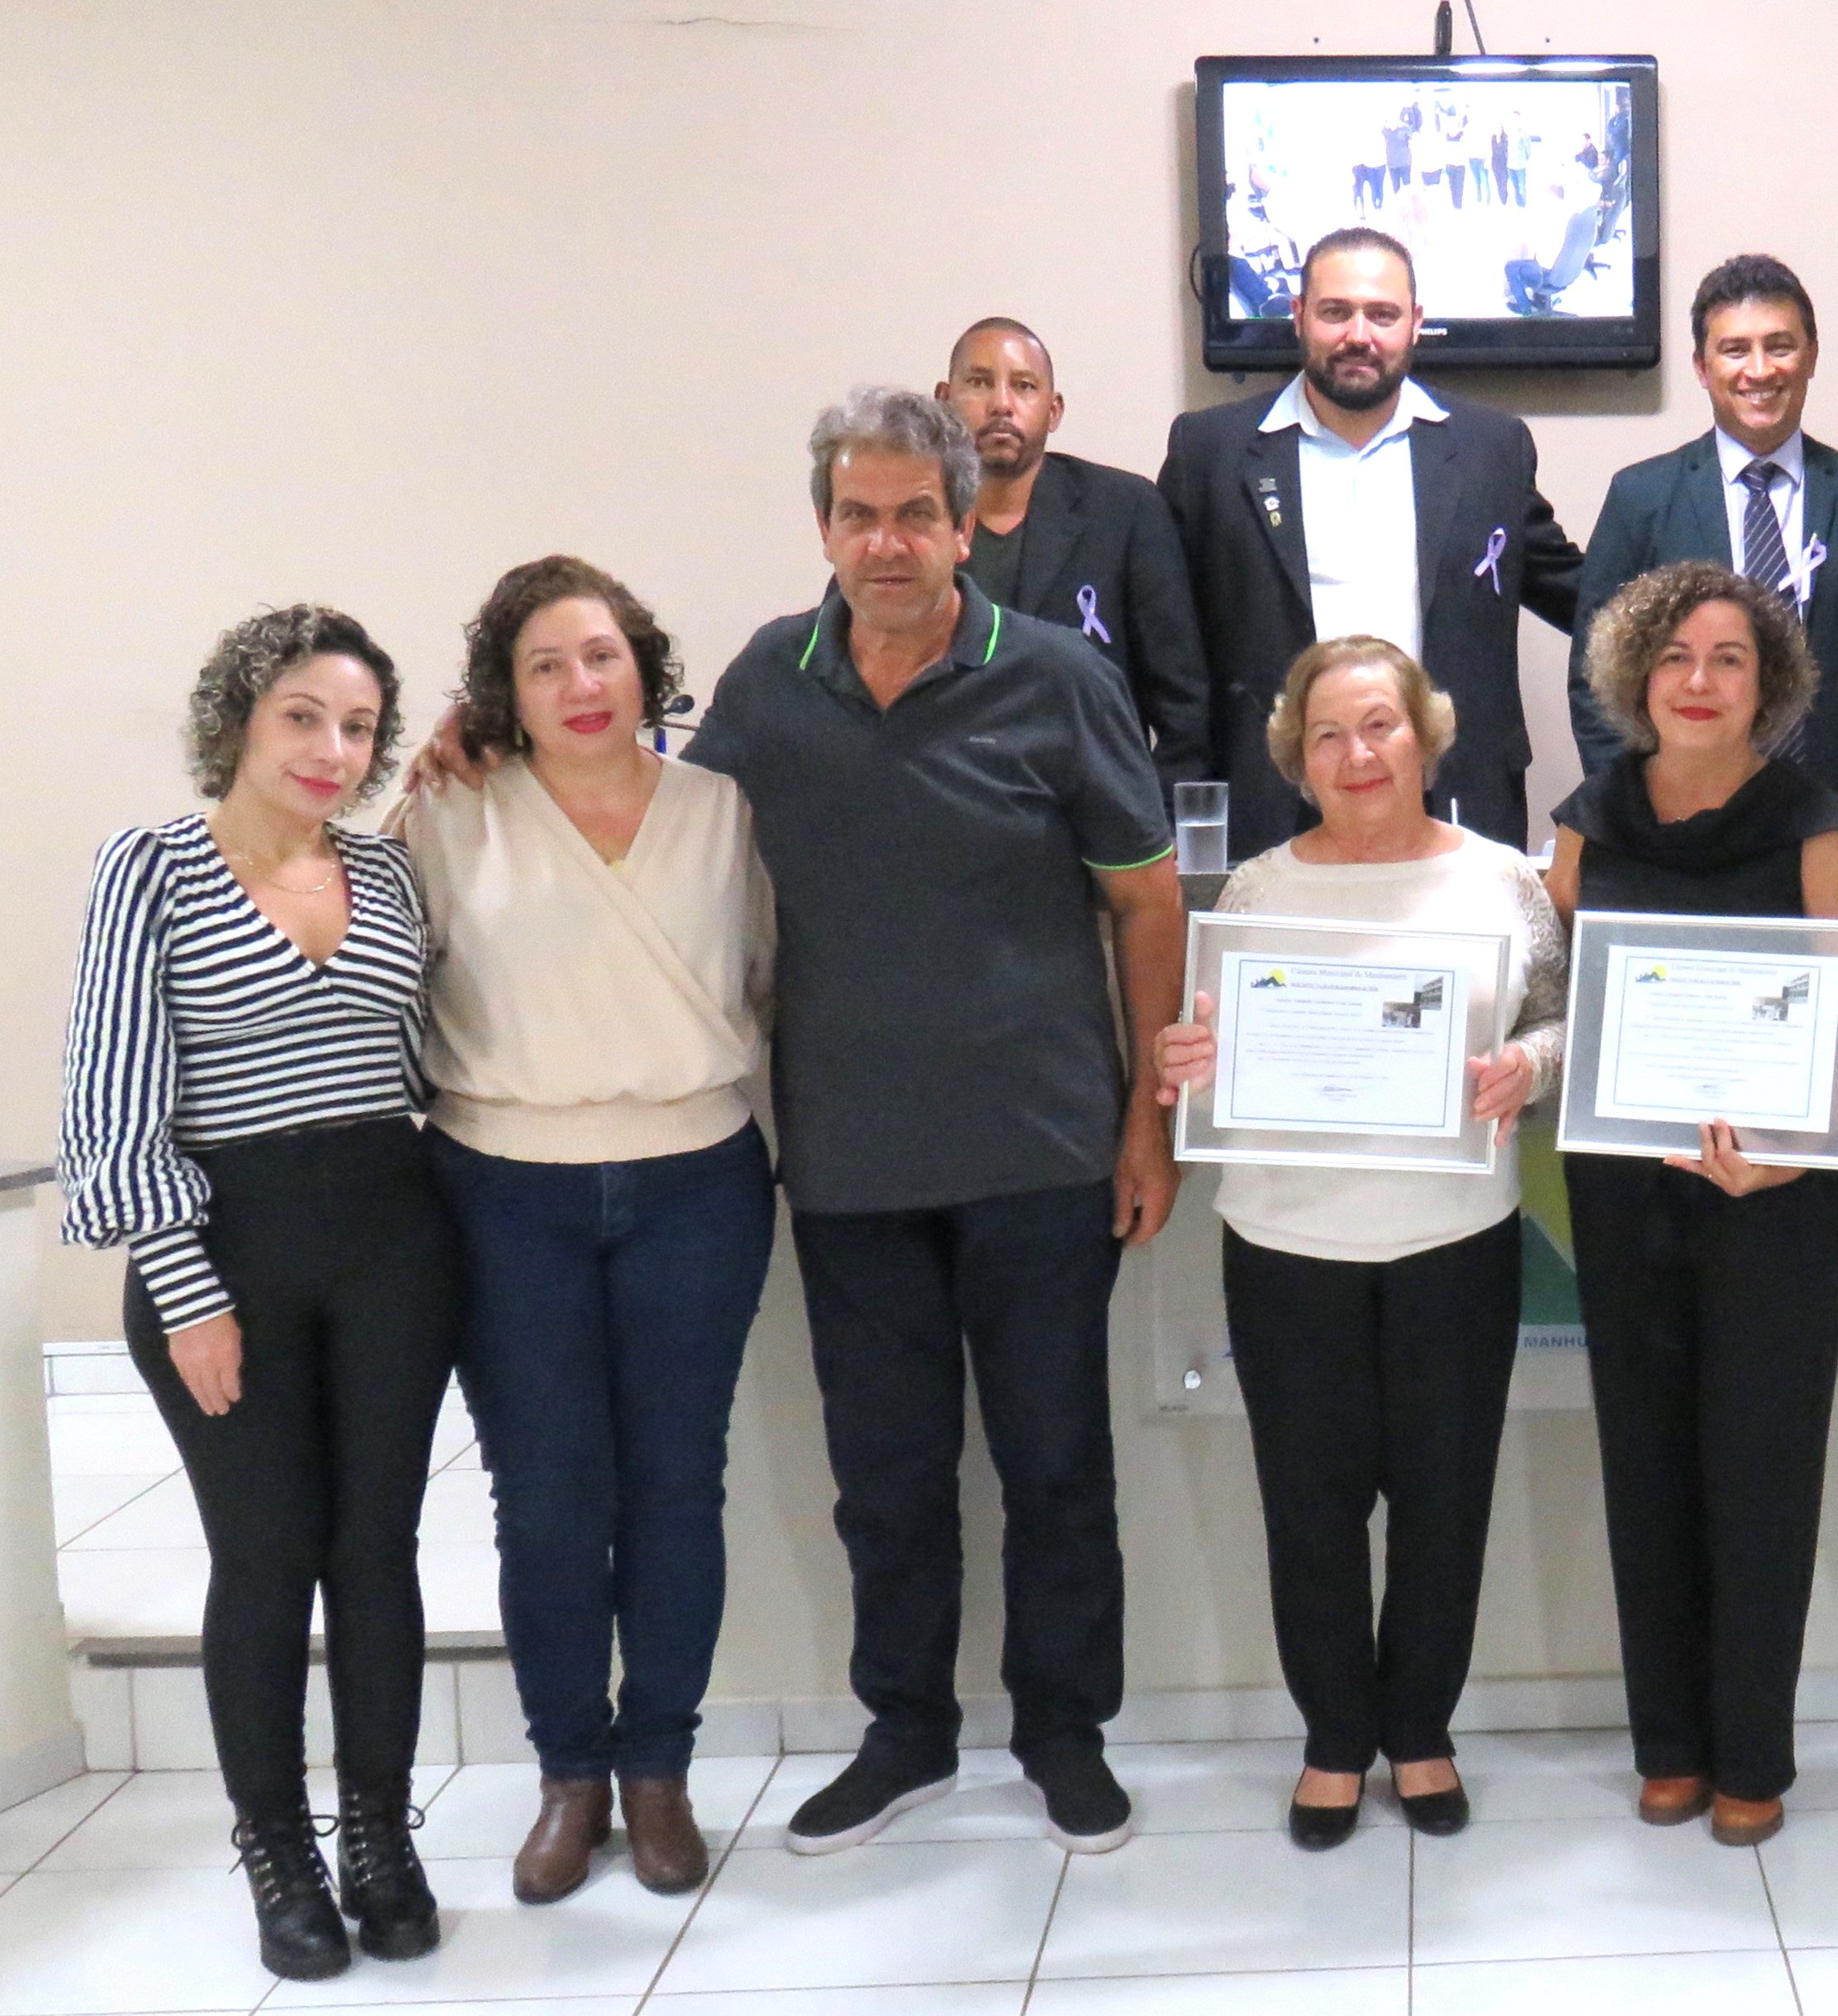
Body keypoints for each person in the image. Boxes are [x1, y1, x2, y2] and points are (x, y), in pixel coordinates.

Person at [418, 389, 1186, 1855]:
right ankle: (906, 1733)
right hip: (848, 1163)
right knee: (886, 1478)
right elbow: (624, 772)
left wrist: (1148, 1122)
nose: (885, 542)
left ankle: (1063, 1732)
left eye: (914, 512)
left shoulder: (1062, 678)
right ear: (823, 526)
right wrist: (474, 733)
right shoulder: (774, 681)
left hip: (1046, 1152)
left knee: (1056, 1465)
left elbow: (1145, 900)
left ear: (964, 521)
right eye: (857, 513)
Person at [58, 607, 457, 1981]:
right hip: (225, 1251)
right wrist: (185, 1284)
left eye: (356, 726)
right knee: (269, 1551)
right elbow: (111, 1107)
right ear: (237, 717)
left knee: (378, 1551)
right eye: (304, 716)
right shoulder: (153, 868)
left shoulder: (387, 874)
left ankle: (379, 1840)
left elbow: (431, 1059)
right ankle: (277, 1847)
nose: (332, 749)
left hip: (394, 1241)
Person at [395, 556, 777, 1906]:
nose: (580, 685)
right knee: (548, 1496)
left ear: (644, 665)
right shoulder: (448, 810)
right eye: (546, 663)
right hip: (506, 1191)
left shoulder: (725, 810)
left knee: (677, 1485)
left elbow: (770, 982)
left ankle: (659, 1767)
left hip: (695, 1182)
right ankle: (571, 1771)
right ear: (505, 688)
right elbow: (386, 980)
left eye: (602, 655)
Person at [1152, 637, 1566, 1852]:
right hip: (1283, 1241)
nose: (1357, 753)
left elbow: (1556, 1018)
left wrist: (1527, 1065)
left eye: (1379, 725)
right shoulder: (1258, 890)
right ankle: (1335, 1736)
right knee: (1310, 1505)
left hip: (1454, 1236)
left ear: (1424, 736)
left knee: (1445, 1501)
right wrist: (1189, 1058)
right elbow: (1216, 1043)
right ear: (1295, 756)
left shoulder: (1501, 880)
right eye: (1327, 734)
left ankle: (1420, 1729)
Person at [1542, 563, 1838, 1848]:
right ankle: (1666, 1744)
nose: (1697, 679)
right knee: (1645, 1460)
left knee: (1759, 1470)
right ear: (1636, 676)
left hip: (1770, 1199)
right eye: (1674, 654)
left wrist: (1789, 1155)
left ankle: (1751, 1754)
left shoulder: (1816, 826)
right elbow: (1551, 992)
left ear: (1768, 685)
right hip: (1622, 1193)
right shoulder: (1585, 818)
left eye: (1728, 657)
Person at [1160, 226, 1583, 856]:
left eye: (1381, 314)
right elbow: (1165, 642)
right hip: (1272, 800)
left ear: (1414, 323)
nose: (1359, 335)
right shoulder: (1211, 453)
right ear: (1299, 316)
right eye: (1336, 312)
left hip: (1454, 796)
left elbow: (1579, 594)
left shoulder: (1488, 448)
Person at [1565, 255, 1838, 790]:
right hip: (1683, 815)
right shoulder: (1641, 498)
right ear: (1703, 368)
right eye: (1735, 350)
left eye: (1780, 346)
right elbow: (1595, 679)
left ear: (1811, 356)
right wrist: (1641, 805)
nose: (1759, 370)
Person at [937, 318, 1214, 783]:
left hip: (1094, 812)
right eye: (979, 382)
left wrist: (1157, 827)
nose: (1001, 404)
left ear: (1054, 410)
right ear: (944, 401)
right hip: (949, 805)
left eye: (1024, 386)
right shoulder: (911, 517)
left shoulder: (1124, 511)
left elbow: (1182, 702)